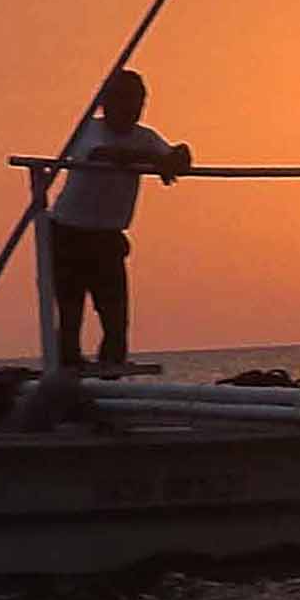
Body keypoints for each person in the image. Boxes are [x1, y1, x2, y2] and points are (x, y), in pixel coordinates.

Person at [45, 68, 191, 372]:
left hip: (107, 237)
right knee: (70, 316)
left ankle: (108, 378)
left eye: (139, 101)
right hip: (68, 233)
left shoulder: (145, 137)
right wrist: (155, 161)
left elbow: (177, 157)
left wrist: (175, 156)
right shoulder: (89, 130)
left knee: (115, 324)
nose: (133, 108)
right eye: (125, 100)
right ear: (106, 103)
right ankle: (68, 375)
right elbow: (103, 154)